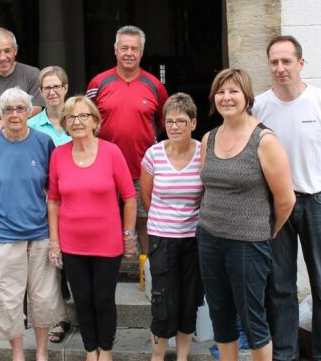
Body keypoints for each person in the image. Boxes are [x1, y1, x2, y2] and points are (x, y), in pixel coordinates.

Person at [254, 36, 321, 361]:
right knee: (280, 286)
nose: (280, 68)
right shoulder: (260, 106)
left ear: (301, 63)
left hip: (317, 202)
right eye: (274, 62)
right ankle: (285, 354)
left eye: (286, 61)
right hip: (277, 206)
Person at [197, 68, 295, 361]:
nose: (227, 98)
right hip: (209, 238)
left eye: (233, 91)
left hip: (248, 243)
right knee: (220, 313)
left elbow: (286, 199)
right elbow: (207, 187)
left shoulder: (264, 141)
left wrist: (268, 230)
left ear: (246, 97)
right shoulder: (209, 139)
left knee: (252, 318)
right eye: (221, 92)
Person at [0, 87, 65, 361]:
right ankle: (18, 353)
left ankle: (43, 352)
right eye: (8, 109)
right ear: (0, 114)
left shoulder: (44, 142)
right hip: (1, 234)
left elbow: (53, 193)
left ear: (29, 111)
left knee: (43, 297)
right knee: (7, 298)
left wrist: (57, 236)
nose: (15, 114)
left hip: (41, 233)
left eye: (20, 108)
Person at [47, 95, 137, 361]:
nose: (77, 122)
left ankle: (106, 350)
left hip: (107, 243)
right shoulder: (58, 155)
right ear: (64, 123)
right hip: (72, 243)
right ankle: (90, 350)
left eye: (83, 116)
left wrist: (128, 235)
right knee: (82, 300)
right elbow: (53, 200)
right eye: (71, 117)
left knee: (103, 299)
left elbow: (130, 197)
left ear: (95, 121)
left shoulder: (111, 152)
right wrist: (54, 241)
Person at [86, 25, 168, 255]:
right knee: (105, 222)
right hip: (104, 170)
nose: (129, 53)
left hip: (142, 169)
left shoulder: (155, 86)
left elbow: (163, 122)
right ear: (115, 50)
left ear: (142, 52)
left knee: (144, 221)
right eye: (124, 48)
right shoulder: (97, 84)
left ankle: (149, 277)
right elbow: (86, 121)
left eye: (134, 48)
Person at [140, 92, 204, 361]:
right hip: (162, 237)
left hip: (194, 238)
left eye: (180, 121)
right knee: (163, 299)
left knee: (189, 301)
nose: (174, 126)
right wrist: (164, 221)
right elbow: (147, 196)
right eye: (169, 121)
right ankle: (157, 355)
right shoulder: (154, 153)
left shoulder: (204, 152)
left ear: (193, 123)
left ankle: (182, 356)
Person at [27, 65, 73, 344]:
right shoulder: (32, 126)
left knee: (75, 261)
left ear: (66, 88)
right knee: (51, 262)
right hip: (45, 203)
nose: (53, 92)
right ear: (40, 93)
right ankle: (60, 317)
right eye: (47, 88)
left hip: (78, 202)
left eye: (57, 86)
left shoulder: (79, 119)